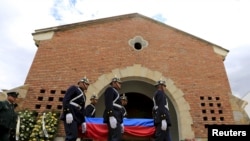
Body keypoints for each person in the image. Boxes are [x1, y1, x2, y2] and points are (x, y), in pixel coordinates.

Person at [60, 77, 90, 141]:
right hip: (71, 114)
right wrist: (67, 112)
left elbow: (82, 109)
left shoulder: (84, 96)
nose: (87, 86)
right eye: (86, 84)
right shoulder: (74, 88)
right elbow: (66, 100)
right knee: (71, 136)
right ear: (81, 83)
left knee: (75, 136)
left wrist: (83, 121)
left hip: (77, 117)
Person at [103, 77, 123, 141]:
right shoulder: (110, 89)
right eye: (119, 83)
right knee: (116, 138)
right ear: (114, 83)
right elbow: (108, 103)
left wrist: (121, 121)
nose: (120, 84)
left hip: (117, 117)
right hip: (113, 116)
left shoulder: (116, 92)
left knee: (114, 137)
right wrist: (111, 116)